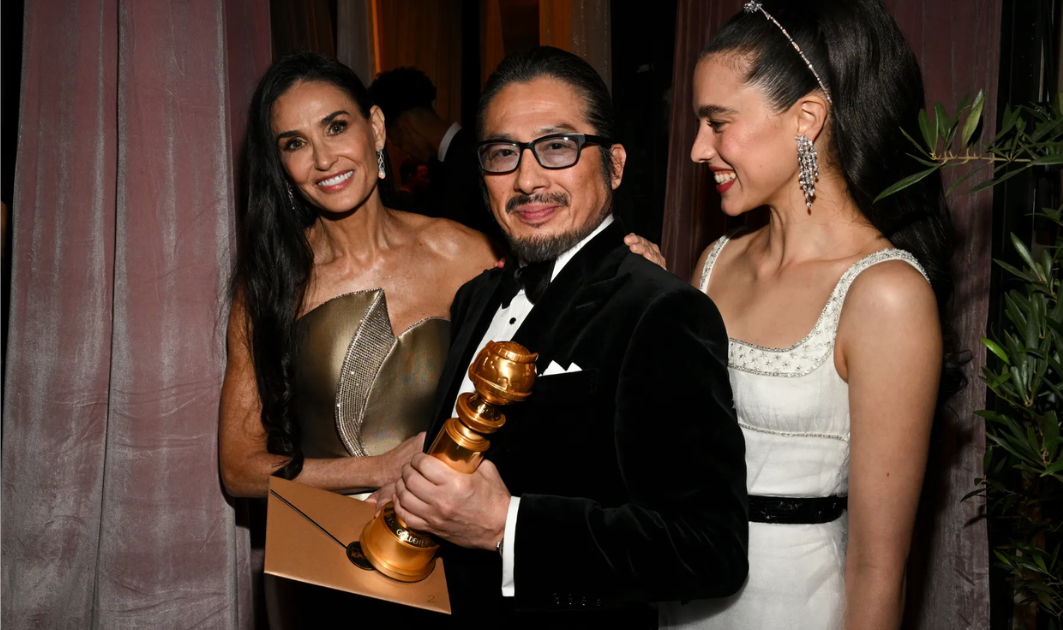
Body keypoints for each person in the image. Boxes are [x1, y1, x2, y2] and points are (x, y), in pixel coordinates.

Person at [370, 47, 750, 629]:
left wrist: (506, 526)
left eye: (557, 146)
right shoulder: (475, 297)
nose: (527, 179)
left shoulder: (662, 311)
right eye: (502, 153)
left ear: (615, 165)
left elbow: (706, 549)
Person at [625, 1, 966, 628]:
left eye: (717, 121)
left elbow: (877, 571)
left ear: (806, 118)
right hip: (680, 597)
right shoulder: (714, 263)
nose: (699, 149)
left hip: (794, 606)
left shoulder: (885, 295)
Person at [217, 51, 495, 627]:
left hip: (452, 549)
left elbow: (536, 365)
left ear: (374, 127)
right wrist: (379, 467)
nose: (322, 159)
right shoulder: (272, 285)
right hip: (322, 566)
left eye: (336, 127)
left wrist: (619, 262)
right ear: (279, 164)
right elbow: (239, 467)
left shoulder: (464, 253)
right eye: (294, 143)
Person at [369, 67, 500, 240]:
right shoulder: (454, 156)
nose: (406, 152)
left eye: (399, 143)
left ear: (403, 124)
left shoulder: (474, 159)